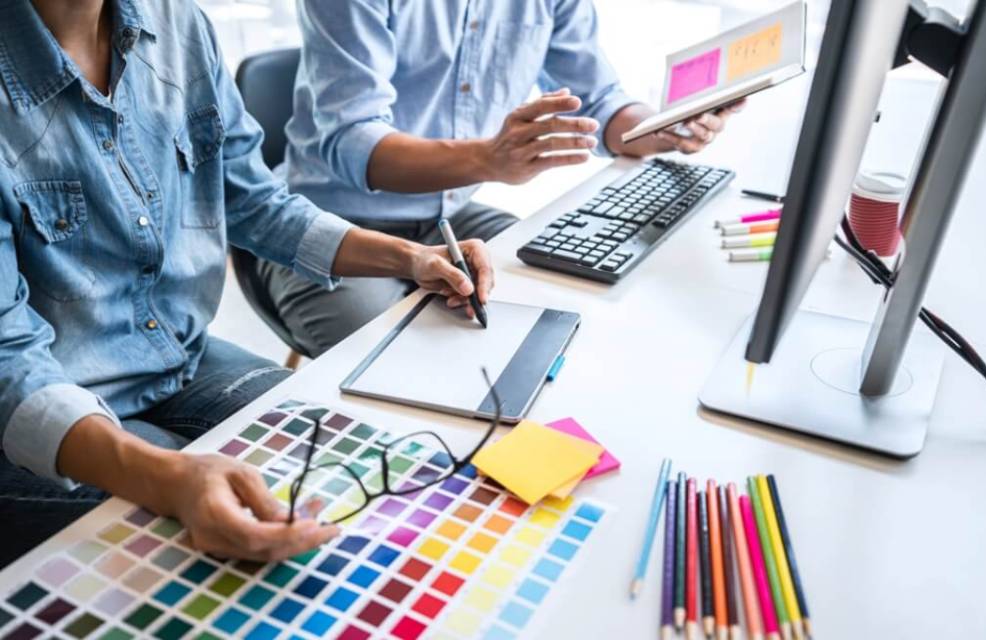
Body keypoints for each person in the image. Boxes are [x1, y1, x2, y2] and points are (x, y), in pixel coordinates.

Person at [0, 0, 496, 568]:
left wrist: (409, 258)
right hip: (40, 407)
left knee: (342, 470)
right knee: (206, 543)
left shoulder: (178, 24)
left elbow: (253, 201)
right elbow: (8, 363)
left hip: (180, 359)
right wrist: (167, 479)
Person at [256, 0, 744, 357]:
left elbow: (599, 104)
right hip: (328, 226)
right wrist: (489, 159)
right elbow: (352, 143)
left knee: (566, 316)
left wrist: (665, 128)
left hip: (452, 214)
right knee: (395, 363)